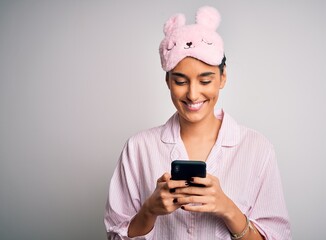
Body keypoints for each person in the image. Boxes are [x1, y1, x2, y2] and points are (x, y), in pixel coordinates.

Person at [104, 6, 291, 240]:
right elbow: (114, 236)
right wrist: (150, 210)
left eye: (205, 80)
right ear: (167, 81)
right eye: (181, 81)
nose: (193, 95)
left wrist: (228, 209)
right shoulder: (138, 148)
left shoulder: (257, 148)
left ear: (223, 77)